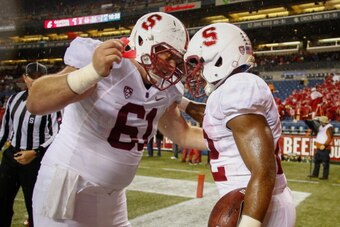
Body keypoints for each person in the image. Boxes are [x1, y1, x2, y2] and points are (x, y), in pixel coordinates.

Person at [26, 12, 207, 227]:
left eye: (176, 59)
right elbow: (35, 101)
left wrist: (229, 138)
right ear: (142, 43)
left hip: (113, 196)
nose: (171, 65)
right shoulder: (108, 61)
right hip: (69, 185)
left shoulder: (167, 88)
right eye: (165, 55)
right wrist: (91, 72)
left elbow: (183, 134)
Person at [184, 23, 296, 226]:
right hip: (255, 198)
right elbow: (213, 117)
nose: (197, 72)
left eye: (200, 63)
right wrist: (179, 103)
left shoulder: (239, 86)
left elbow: (264, 169)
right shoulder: (230, 92)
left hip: (256, 203)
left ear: (219, 59)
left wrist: (249, 223)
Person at [0, 62, 61, 227]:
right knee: (2, 202)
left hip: (35, 161)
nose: (35, 81)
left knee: (35, 206)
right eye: (32, 77)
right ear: (24, 78)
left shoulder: (52, 102)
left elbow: (56, 134)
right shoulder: (14, 99)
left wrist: (35, 152)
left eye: (39, 77)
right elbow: (5, 129)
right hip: (12, 156)